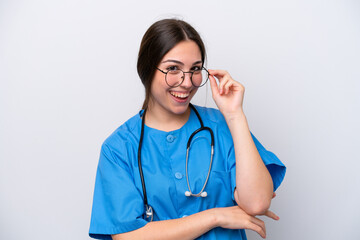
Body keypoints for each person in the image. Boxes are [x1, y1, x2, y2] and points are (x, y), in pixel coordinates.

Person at [89, 18, 286, 240]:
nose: (187, 82)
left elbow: (257, 202)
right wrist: (216, 217)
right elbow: (128, 236)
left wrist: (234, 115)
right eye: (173, 68)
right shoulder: (119, 148)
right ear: (146, 70)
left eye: (195, 69)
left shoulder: (221, 126)